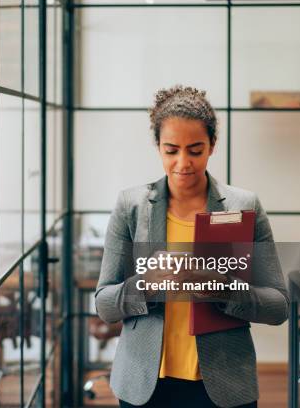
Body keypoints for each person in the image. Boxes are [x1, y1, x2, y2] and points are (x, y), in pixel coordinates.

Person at [95, 85, 289, 408]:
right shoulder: (131, 206)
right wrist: (145, 285)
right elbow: (104, 304)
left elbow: (278, 305)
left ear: (213, 145)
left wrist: (220, 286)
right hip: (145, 385)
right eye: (171, 150)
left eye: (195, 150)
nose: (183, 163)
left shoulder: (244, 206)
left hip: (224, 383)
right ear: (157, 146)